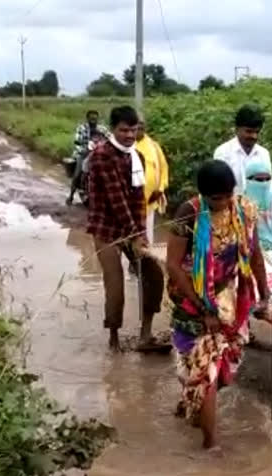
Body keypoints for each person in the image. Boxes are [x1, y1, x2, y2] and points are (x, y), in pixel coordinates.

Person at [166, 160, 271, 449]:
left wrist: (263, 294)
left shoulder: (244, 210)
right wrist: (204, 309)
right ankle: (210, 445)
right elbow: (173, 266)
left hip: (228, 299)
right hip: (190, 300)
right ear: (203, 195)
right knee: (207, 374)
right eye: (215, 198)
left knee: (221, 369)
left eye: (227, 196)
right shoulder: (189, 213)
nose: (223, 203)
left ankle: (192, 400)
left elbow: (255, 254)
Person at [87, 105, 163, 350]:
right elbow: (117, 199)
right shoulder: (101, 155)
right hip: (106, 229)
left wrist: (141, 233)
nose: (129, 136)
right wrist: (136, 234)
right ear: (113, 129)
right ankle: (114, 339)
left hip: (130, 229)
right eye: (124, 130)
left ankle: (145, 335)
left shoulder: (136, 157)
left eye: (133, 130)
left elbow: (138, 200)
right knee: (115, 283)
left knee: (153, 274)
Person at [214, 105, 272, 195]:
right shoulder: (223, 153)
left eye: (257, 132)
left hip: (259, 207)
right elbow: (219, 189)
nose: (254, 136)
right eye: (249, 131)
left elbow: (269, 188)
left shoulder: (263, 154)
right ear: (237, 129)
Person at [136, 115, 169, 243]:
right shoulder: (126, 145)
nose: (139, 126)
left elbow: (164, 168)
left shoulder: (153, 146)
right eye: (136, 124)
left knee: (147, 235)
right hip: (128, 202)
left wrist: (160, 189)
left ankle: (145, 260)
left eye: (142, 124)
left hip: (150, 199)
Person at [67, 110, 109, 205]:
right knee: (77, 174)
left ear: (97, 119)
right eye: (91, 118)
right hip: (84, 153)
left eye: (95, 118)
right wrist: (83, 149)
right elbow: (77, 142)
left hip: (99, 154)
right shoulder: (81, 128)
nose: (93, 120)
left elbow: (110, 138)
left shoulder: (102, 129)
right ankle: (71, 195)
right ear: (88, 119)